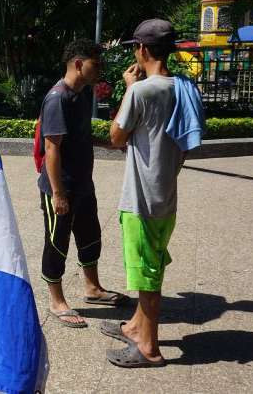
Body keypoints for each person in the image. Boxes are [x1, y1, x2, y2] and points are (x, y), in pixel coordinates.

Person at [103, 18, 184, 367]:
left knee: (147, 274)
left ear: (142, 49)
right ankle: (136, 326)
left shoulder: (141, 91)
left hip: (141, 197)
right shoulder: (182, 88)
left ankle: (148, 348)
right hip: (165, 193)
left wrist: (127, 87)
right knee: (152, 262)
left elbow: (116, 137)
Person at [37, 39, 128, 329]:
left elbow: (80, 135)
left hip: (82, 183)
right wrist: (58, 194)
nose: (99, 70)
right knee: (57, 242)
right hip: (60, 186)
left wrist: (107, 144)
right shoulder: (57, 98)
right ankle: (56, 301)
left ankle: (92, 288)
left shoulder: (83, 93)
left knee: (90, 236)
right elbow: (52, 149)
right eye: (95, 64)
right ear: (78, 64)